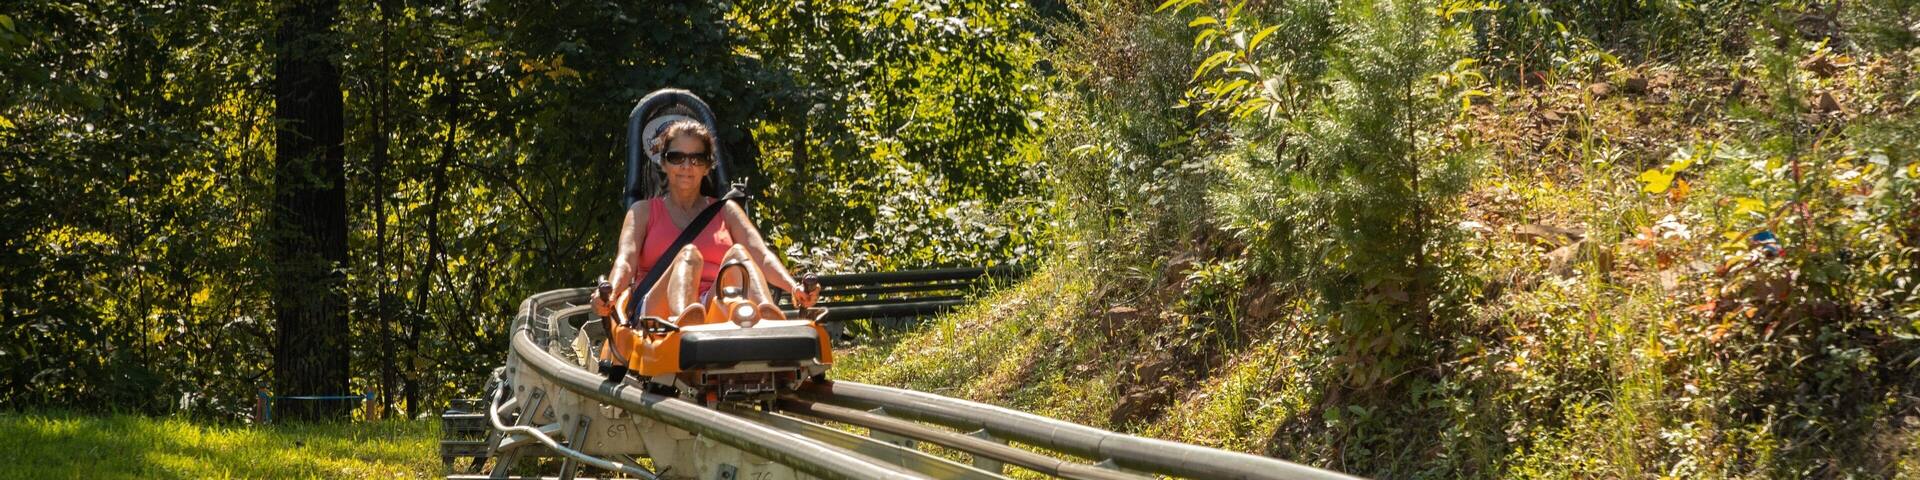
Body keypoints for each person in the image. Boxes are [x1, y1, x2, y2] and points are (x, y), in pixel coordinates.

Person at [592, 119, 817, 318]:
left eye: (696, 158)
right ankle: (684, 322)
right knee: (688, 256)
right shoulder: (643, 211)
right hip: (656, 309)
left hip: (712, 304)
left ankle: (769, 318)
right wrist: (610, 290)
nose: (686, 166)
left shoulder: (726, 211)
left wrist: (794, 287)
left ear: (707, 166)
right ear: (664, 163)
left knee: (739, 255)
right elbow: (625, 260)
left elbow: (762, 257)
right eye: (677, 157)